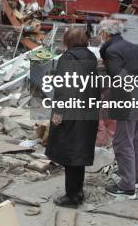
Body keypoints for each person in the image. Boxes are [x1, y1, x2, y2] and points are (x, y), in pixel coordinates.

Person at [45, 27, 99, 207]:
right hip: (87, 112)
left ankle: (71, 196)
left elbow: (64, 89)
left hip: (71, 112)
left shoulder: (68, 58)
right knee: (79, 153)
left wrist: (59, 112)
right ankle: (78, 192)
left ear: (69, 41)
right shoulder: (91, 57)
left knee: (69, 154)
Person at [98, 18, 138, 199]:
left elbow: (121, 77)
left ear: (105, 33)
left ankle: (127, 187)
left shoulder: (111, 50)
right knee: (133, 140)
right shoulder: (132, 46)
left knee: (122, 142)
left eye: (100, 33)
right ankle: (133, 179)